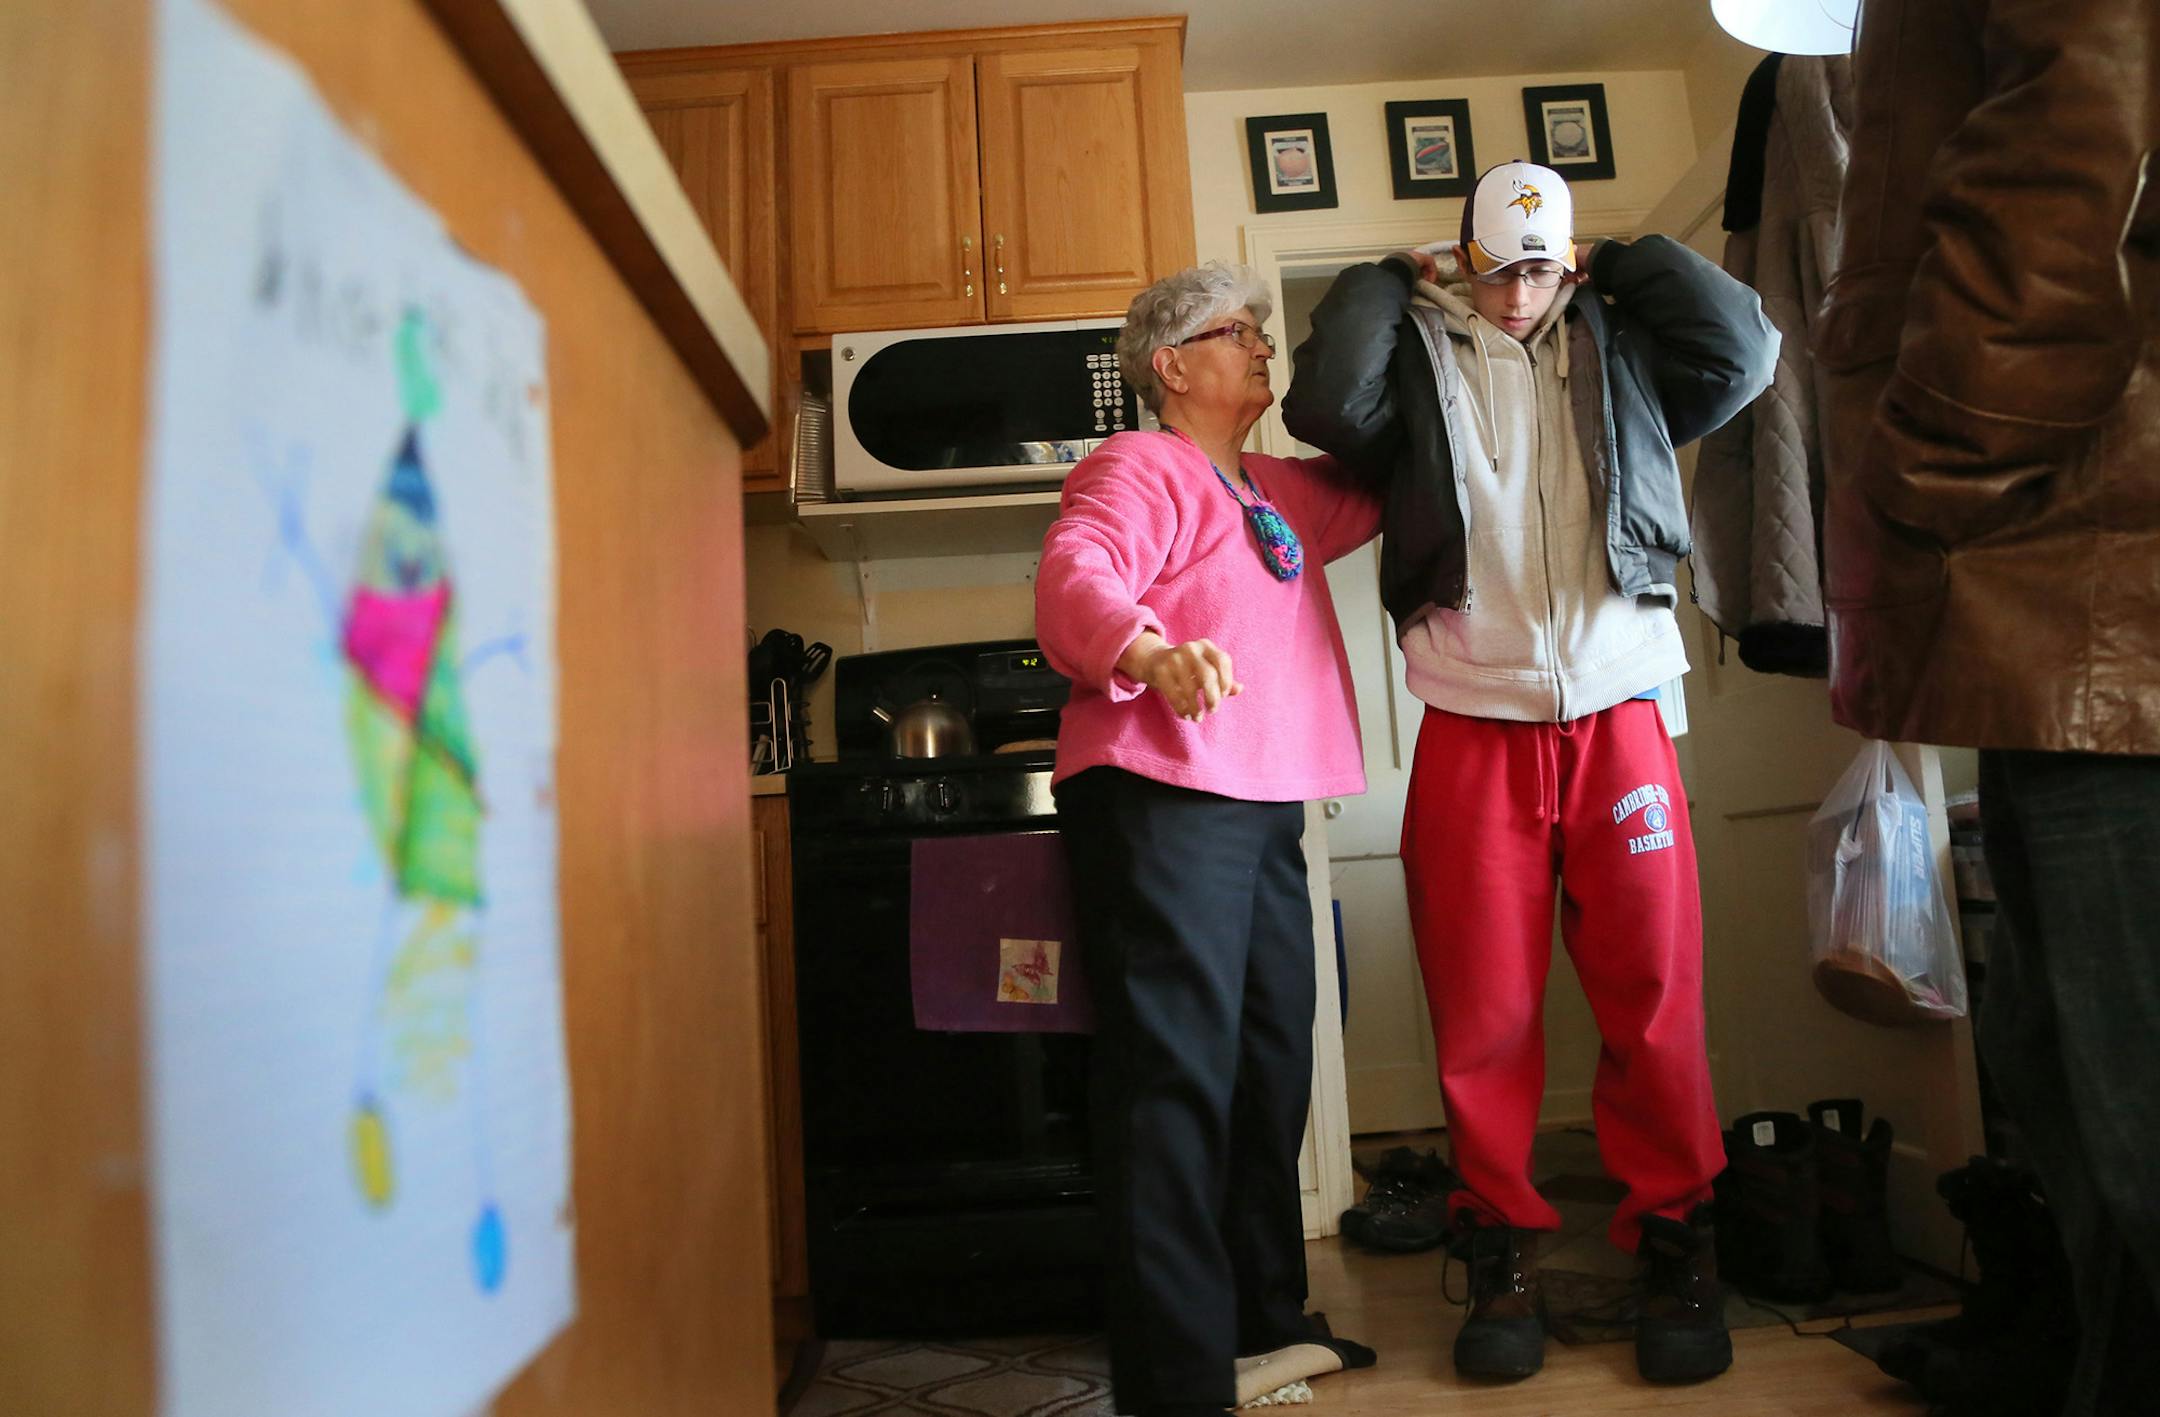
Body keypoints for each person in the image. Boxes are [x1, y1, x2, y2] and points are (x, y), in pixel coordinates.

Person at [1284, 160, 1777, 1384]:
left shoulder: (1630, 344)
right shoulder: (1412, 355)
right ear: (1462, 258)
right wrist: (1383, 281)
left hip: (1618, 711)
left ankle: (1677, 1237)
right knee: (1483, 1011)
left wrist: (1621, 257)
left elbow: (1749, 350)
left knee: (1654, 994)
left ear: (1569, 259)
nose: (1518, 294)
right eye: (1499, 267)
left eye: (1540, 266)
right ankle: (1499, 1245)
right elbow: (1317, 405)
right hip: (1468, 715)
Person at [1814, 2, 2158, 1413]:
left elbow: (2075, 162)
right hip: (2072, 580)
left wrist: (1916, 477)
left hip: (2081, 579)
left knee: (2126, 1120)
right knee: (2085, 1106)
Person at [1036, 262, 1381, 1417]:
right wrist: (1149, 654)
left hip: (1261, 801)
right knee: (1173, 1079)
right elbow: (1077, 572)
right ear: (1170, 366)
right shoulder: (1140, 465)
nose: (1263, 349)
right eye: (1241, 333)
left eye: (1264, 332)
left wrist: (1410, 296)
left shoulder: (1277, 489)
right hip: (1157, 789)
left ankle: (1262, 1323)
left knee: (1271, 1064)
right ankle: (1176, 1372)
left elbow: (1385, 468)